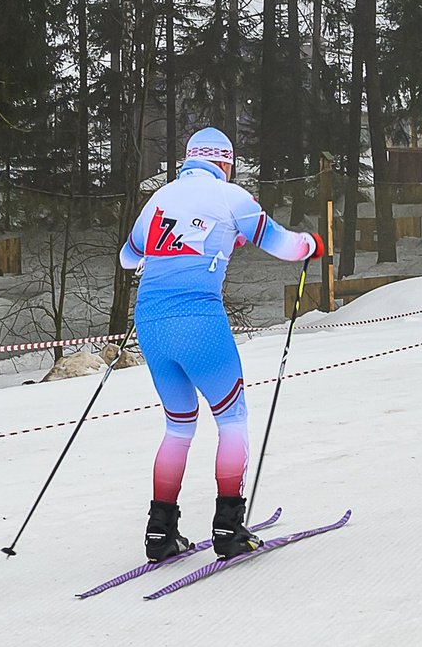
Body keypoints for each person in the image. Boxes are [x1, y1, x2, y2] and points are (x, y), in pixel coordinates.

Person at [119, 128, 319, 563]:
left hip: (151, 323)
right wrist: (313, 245)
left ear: (189, 160)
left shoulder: (160, 198)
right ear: (226, 162)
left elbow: (128, 257)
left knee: (178, 426)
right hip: (198, 323)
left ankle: (160, 533)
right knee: (232, 419)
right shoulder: (232, 197)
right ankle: (228, 526)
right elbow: (284, 245)